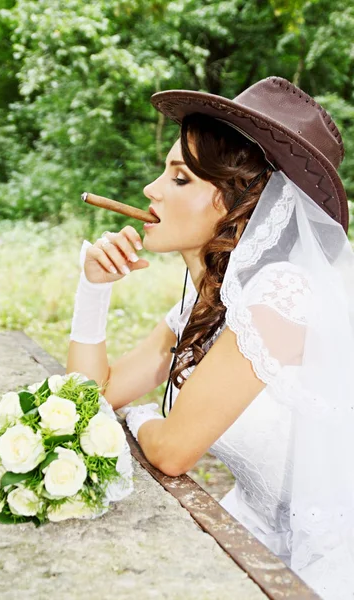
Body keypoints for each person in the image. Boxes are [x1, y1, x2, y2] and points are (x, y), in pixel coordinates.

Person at [66, 76, 354, 600]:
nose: (151, 189)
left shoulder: (281, 300)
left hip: (325, 562)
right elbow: (89, 397)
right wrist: (93, 289)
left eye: (179, 178)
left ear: (240, 203)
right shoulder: (204, 306)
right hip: (256, 539)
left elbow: (173, 451)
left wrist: (140, 415)